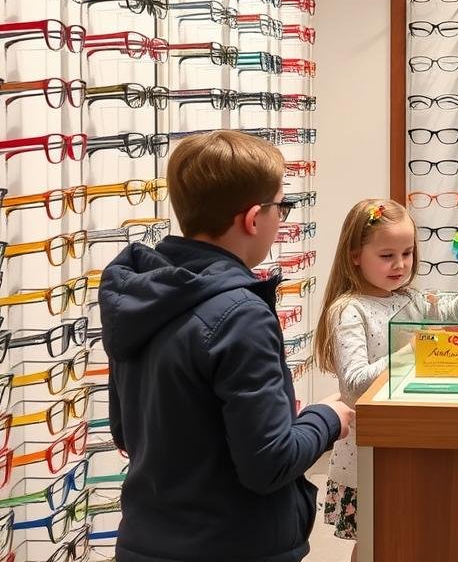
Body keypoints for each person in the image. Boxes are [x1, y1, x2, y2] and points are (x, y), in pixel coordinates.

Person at [98, 130, 354, 562]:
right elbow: (269, 463)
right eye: (281, 207)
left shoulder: (143, 296)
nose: (281, 218)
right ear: (254, 219)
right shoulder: (239, 315)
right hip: (234, 544)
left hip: (146, 541)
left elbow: (126, 431)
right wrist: (328, 418)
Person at [313, 198, 458, 561]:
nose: (400, 265)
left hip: (412, 435)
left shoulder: (411, 299)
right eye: (386, 255)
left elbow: (455, 315)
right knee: (373, 541)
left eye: (407, 253)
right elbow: (353, 386)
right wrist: (415, 350)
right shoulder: (350, 309)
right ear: (354, 255)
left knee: (409, 532)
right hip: (372, 448)